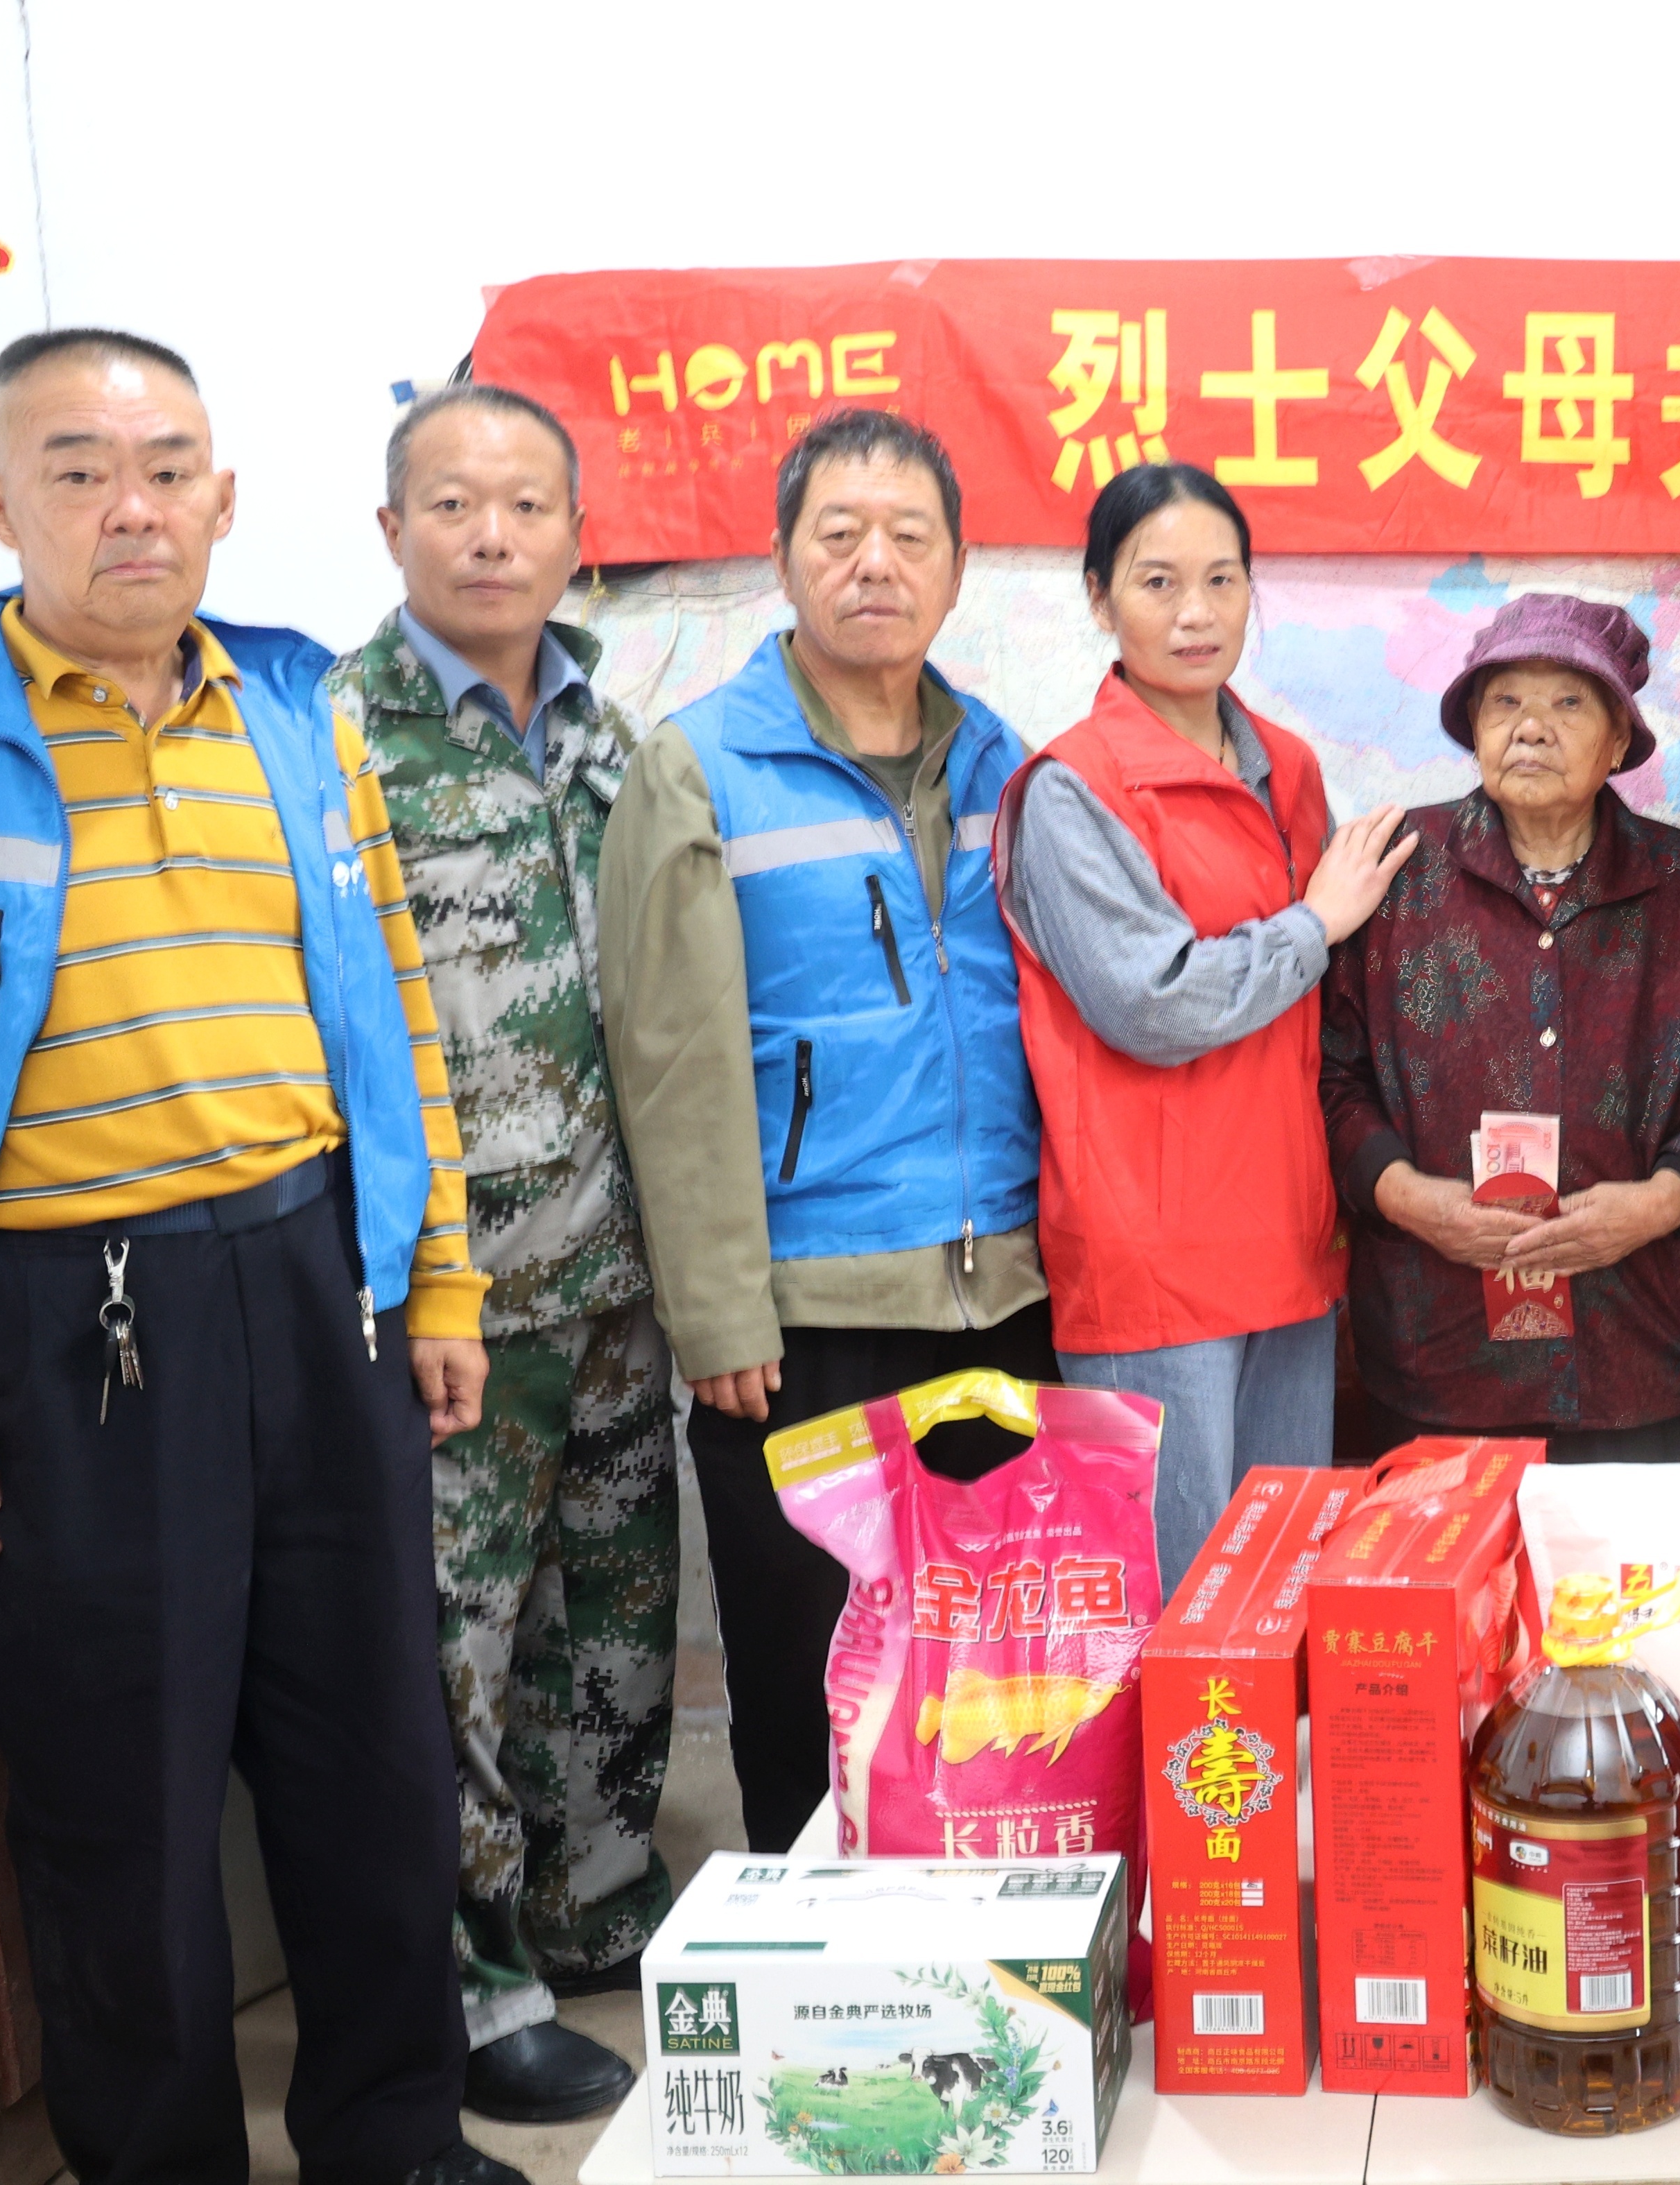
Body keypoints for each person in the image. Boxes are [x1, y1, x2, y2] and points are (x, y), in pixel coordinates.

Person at [0, 329, 514, 2185]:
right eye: (80, 466)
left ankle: (394, 2134)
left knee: (370, 1755)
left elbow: (398, 1021)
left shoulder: (298, 716)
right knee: (122, 1795)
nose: (133, 504)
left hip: (311, 1279)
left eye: (169, 465)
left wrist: (434, 1278)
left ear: (222, 497)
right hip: (73, 1327)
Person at [600, 409, 1055, 1856]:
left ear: (958, 566)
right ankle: (822, 1987)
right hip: (802, 1319)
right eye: (838, 535)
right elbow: (669, 1062)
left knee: (988, 1685)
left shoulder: (1005, 763)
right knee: (817, 1693)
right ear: (782, 563)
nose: (876, 565)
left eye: (909, 536)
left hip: (1002, 1298)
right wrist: (720, 1308)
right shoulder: (698, 768)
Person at [329, 381, 673, 2121]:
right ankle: (475, 1985)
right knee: (448, 1651)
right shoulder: (330, 741)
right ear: (390, 530)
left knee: (610, 1620)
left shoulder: (611, 735)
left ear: (573, 532)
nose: (490, 536)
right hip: (451, 1296)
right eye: (452, 505)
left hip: (618, 1272)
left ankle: (595, 1907)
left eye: (526, 506)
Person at [997, 463, 1415, 1581]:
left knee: (1278, 1603)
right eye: (1158, 581)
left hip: (1287, 1233)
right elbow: (1152, 1003)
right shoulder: (1071, 788)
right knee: (1175, 1620)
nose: (1195, 612)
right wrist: (1311, 926)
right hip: (1152, 1254)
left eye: (1222, 580)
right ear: (1098, 599)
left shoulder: (1290, 764)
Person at [1321, 591, 1680, 1458]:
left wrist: (1658, 1204)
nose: (1530, 728)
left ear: (1620, 741)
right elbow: (1333, 1077)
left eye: (1567, 703)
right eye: (1504, 702)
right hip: (1443, 1348)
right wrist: (1411, 1198)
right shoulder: (1395, 877)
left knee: (1645, 1596)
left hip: (1650, 1345)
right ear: (1473, 728)